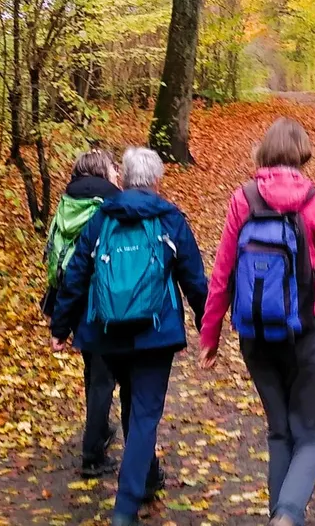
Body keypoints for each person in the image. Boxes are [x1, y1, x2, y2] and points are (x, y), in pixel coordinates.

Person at [199, 117, 315, 526]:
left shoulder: (242, 199)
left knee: (280, 432)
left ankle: (280, 515)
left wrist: (211, 335)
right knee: (311, 435)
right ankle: (287, 516)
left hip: (256, 333)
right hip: (310, 331)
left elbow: (223, 273)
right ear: (302, 154)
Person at [50, 146, 209, 526]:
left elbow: (76, 275)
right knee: (144, 415)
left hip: (106, 331)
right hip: (156, 332)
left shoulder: (101, 218)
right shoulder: (169, 219)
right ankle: (125, 508)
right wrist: (208, 326)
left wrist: (61, 326)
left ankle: (147, 478)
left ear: (123, 177)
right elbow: (193, 278)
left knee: (132, 402)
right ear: (157, 180)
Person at [42, 149, 124, 477]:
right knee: (104, 377)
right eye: (113, 168)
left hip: (73, 301)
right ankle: (93, 454)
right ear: (103, 172)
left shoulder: (67, 204)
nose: (117, 173)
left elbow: (57, 257)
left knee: (93, 369)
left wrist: (60, 322)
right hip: (102, 301)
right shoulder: (109, 206)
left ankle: (99, 428)